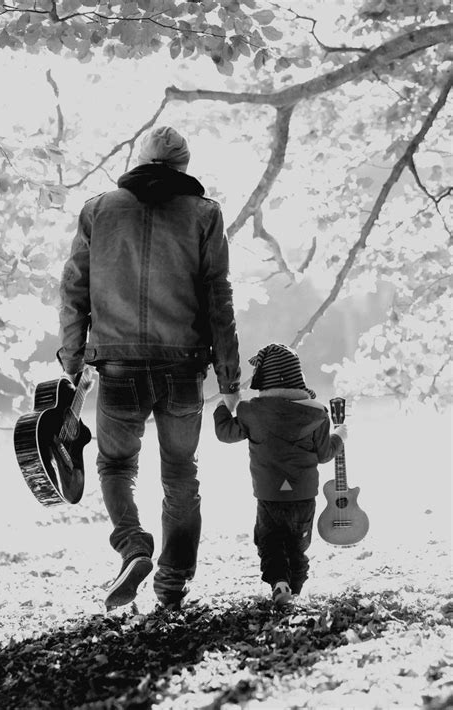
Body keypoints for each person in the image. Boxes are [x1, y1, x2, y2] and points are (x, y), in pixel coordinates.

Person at [58, 125, 241, 611]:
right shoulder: (205, 213)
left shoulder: (98, 209)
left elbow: (74, 287)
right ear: (183, 165)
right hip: (181, 368)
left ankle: (133, 545)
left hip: (116, 367)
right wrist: (229, 378)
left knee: (116, 465)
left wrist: (74, 360)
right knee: (181, 473)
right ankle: (172, 584)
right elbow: (217, 295)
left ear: (141, 161)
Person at [213, 343, 347, 607]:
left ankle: (279, 582)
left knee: (270, 541)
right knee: (297, 546)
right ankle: (295, 591)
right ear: (299, 378)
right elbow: (324, 454)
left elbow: (224, 433)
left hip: (269, 495)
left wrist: (224, 405)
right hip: (303, 495)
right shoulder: (318, 413)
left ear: (264, 380)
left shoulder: (251, 411)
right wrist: (339, 437)